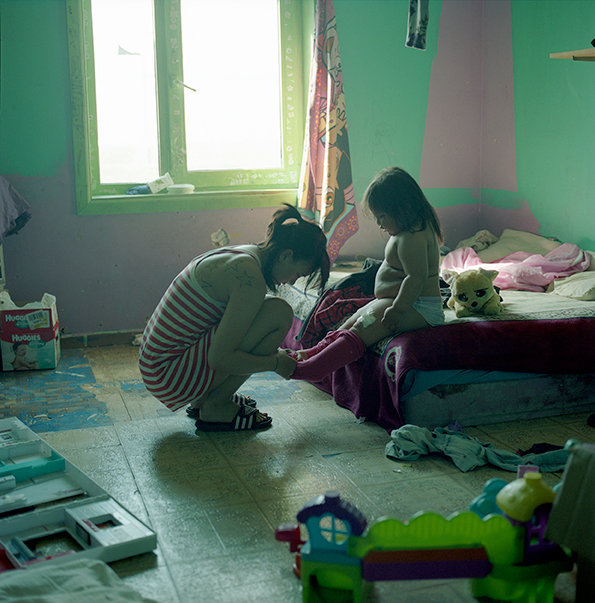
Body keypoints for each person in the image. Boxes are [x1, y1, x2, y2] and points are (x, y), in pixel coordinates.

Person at [138, 204, 329, 432]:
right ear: (286, 255)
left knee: (267, 310)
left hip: (157, 367)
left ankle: (204, 398)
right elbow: (221, 358)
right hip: (169, 375)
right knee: (278, 313)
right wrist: (276, 363)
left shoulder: (246, 255)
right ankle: (216, 405)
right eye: (297, 274)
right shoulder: (249, 279)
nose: (290, 282)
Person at [289, 166, 444, 382]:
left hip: (419, 309)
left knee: (364, 326)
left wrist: (398, 310)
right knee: (353, 320)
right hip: (400, 301)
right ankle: (311, 354)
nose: (380, 224)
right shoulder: (407, 232)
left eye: (382, 216)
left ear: (403, 208)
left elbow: (415, 278)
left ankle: (315, 369)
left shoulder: (413, 238)